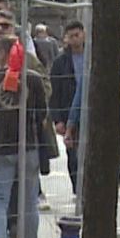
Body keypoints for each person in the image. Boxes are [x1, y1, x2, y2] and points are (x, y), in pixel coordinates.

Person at [0, 47, 51, 238]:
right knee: (29, 198)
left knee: (0, 198)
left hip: (2, 146)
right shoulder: (34, 79)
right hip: (29, 144)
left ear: (0, 55)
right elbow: (42, 112)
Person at [49, 21, 87, 193]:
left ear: (83, 34)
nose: (74, 39)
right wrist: (57, 119)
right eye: (70, 36)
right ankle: (77, 189)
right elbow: (54, 92)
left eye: (77, 35)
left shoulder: (93, 57)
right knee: (72, 154)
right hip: (68, 111)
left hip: (90, 111)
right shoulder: (60, 62)